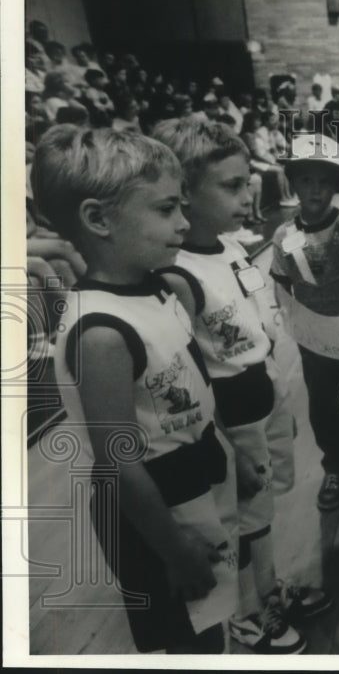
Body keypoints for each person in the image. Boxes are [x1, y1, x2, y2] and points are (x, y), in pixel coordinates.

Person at [34, 125, 238, 653]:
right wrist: (174, 550)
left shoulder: (157, 286)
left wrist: (231, 452)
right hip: (154, 514)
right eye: (166, 209)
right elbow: (118, 463)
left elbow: (195, 384)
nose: (183, 223)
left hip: (192, 479)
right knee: (191, 642)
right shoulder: (101, 334)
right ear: (99, 219)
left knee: (213, 622)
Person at [153, 119, 323, 655]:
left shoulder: (229, 246)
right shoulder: (178, 275)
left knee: (262, 513)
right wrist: (229, 447)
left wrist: (279, 396)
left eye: (247, 180)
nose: (248, 194)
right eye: (230, 186)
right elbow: (191, 377)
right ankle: (248, 615)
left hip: (261, 392)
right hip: (231, 416)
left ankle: (267, 589)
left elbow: (254, 328)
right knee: (241, 521)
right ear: (184, 192)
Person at [270, 134, 339, 511]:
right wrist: (290, 322)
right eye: (306, 180)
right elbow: (281, 285)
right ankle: (335, 466)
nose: (315, 189)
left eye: (324, 181)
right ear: (293, 183)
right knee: (323, 404)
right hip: (311, 341)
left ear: (336, 184)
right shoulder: (283, 236)